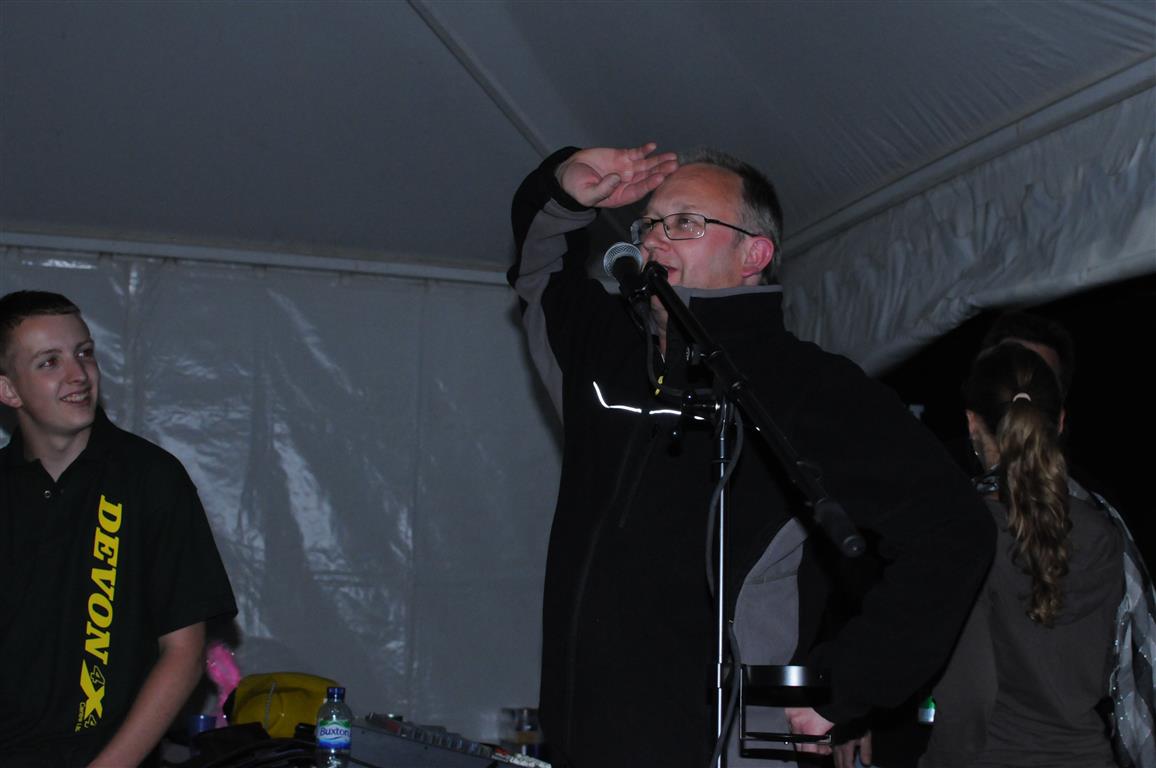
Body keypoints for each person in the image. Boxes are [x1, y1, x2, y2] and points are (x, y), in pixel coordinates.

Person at [508, 144, 995, 768]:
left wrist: (841, 689)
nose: (654, 239)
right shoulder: (605, 356)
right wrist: (562, 187)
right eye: (649, 224)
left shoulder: (810, 388)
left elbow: (953, 530)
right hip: (585, 743)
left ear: (753, 256)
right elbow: (539, 272)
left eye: (686, 222)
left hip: (728, 744)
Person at [0, 290, 238, 767]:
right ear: (9, 390)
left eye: (84, 353)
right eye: (49, 362)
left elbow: (184, 652)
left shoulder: (150, 479)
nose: (78, 374)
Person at [918, 342, 1124, 767]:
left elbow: (968, 694)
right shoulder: (1102, 531)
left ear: (972, 423)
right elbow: (1111, 668)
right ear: (1060, 421)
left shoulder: (969, 533)